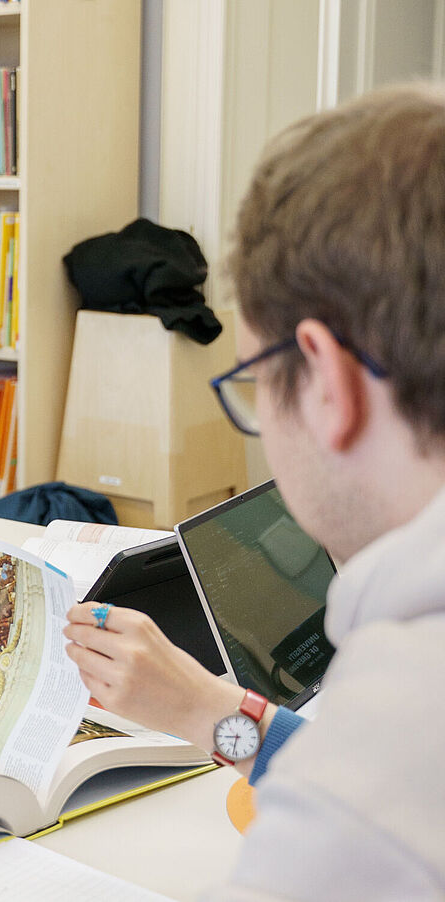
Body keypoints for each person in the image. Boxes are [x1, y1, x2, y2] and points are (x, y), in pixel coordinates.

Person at [63, 84, 445, 899]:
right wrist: (210, 712)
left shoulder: (373, 792)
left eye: (255, 378)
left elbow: (361, 789)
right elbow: (335, 761)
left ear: (328, 385)